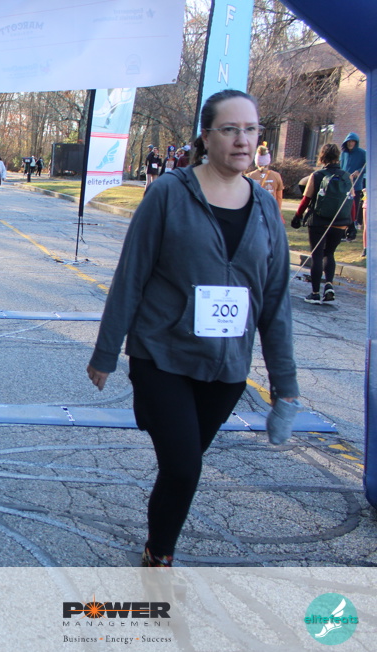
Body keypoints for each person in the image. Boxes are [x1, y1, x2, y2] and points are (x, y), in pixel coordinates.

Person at [86, 89, 299, 567]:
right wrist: (106, 352)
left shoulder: (266, 209)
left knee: (182, 467)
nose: (243, 140)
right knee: (184, 466)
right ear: (206, 136)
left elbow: (276, 301)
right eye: (230, 129)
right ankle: (160, 556)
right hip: (162, 356)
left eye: (251, 129)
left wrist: (285, 387)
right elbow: (131, 275)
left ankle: (155, 540)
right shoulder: (169, 193)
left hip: (225, 369)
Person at [292, 143, 354, 305]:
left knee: (317, 255)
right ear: (337, 157)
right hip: (340, 222)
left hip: (318, 221)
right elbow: (351, 202)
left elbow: (306, 199)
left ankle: (315, 293)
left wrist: (298, 216)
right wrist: (351, 223)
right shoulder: (347, 176)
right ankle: (329, 285)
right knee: (330, 254)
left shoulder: (317, 175)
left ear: (322, 157)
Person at [246, 145, 284, 211]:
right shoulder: (276, 176)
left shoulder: (249, 176)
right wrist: (278, 212)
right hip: (270, 210)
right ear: (268, 161)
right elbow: (279, 198)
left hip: (254, 210)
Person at [340, 132, 366, 226]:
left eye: (352, 141)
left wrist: (359, 171)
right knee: (343, 205)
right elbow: (340, 166)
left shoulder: (362, 153)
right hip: (343, 184)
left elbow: (369, 165)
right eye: (349, 141)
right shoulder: (343, 153)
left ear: (356, 142)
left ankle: (353, 224)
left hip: (356, 185)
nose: (350, 143)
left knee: (354, 205)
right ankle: (342, 222)